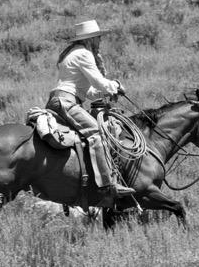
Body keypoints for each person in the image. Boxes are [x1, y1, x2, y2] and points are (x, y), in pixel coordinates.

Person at [46, 19, 135, 207]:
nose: (100, 41)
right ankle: (107, 185)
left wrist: (107, 90)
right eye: (98, 38)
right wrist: (115, 86)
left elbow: (88, 91)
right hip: (67, 102)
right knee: (97, 132)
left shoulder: (73, 52)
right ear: (91, 39)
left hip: (63, 99)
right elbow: (100, 83)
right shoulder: (84, 53)